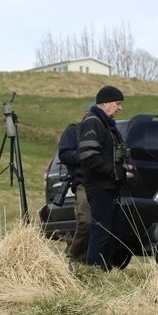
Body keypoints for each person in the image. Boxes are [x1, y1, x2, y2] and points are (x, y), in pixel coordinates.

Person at [78, 85, 127, 270]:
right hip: (100, 187)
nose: (120, 108)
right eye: (118, 103)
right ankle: (94, 271)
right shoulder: (93, 122)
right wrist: (113, 172)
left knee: (115, 229)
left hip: (111, 187)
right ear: (105, 103)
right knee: (101, 230)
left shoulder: (107, 125)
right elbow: (88, 155)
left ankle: (105, 270)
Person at [58, 111, 91, 263]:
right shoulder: (74, 131)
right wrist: (86, 157)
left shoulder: (107, 130)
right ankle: (74, 255)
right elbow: (64, 154)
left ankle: (86, 260)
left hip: (103, 184)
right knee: (85, 221)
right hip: (82, 182)